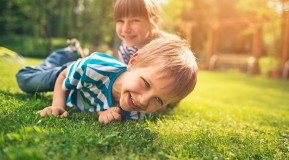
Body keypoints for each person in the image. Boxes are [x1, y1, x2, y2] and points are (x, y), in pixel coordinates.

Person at [15, 0, 168, 94]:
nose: (125, 29)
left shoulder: (164, 49)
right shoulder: (129, 44)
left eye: (134, 20)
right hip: (78, 71)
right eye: (120, 21)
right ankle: (70, 54)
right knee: (25, 78)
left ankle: (73, 54)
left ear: (153, 20)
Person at [38, 35, 198, 124]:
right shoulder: (94, 67)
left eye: (158, 100)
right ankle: (69, 52)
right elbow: (64, 77)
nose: (143, 100)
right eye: (146, 83)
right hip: (71, 71)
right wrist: (58, 106)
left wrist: (103, 113)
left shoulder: (138, 113)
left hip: (82, 80)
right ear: (133, 62)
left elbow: (99, 106)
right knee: (26, 81)